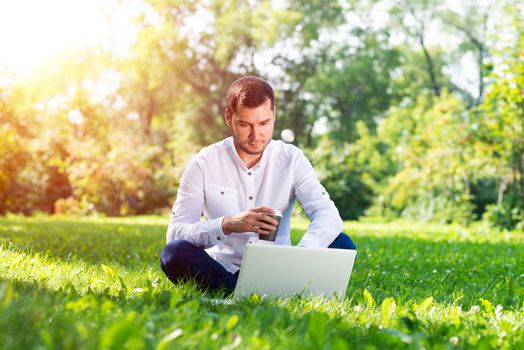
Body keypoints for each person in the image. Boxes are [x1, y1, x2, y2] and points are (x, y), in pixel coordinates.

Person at [160, 76, 356, 293]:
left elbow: (327, 214)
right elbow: (175, 234)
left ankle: (254, 291)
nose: (256, 135)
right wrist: (227, 224)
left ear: (274, 116)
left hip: (281, 268)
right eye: (245, 124)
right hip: (222, 269)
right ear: (229, 117)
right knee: (174, 253)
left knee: (342, 244)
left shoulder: (291, 159)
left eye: (264, 123)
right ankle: (246, 292)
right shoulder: (203, 163)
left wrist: (303, 253)